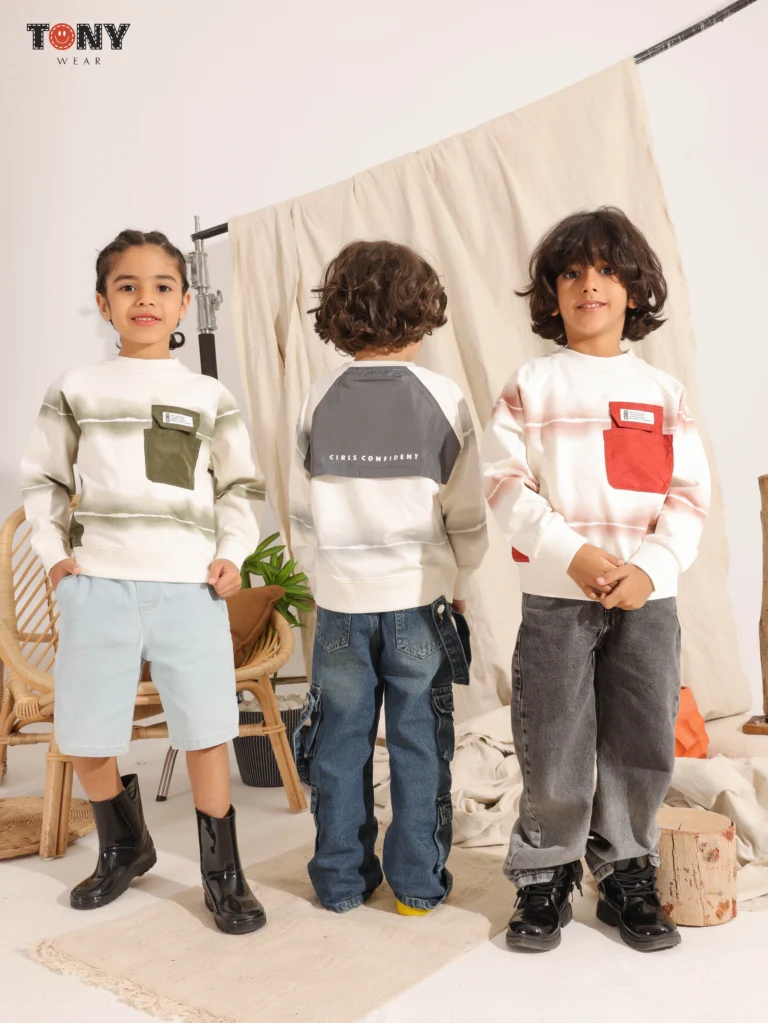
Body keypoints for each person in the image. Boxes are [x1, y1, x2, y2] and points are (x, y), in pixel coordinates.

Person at [21, 229, 267, 935]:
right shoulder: (76, 388)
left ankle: (223, 874)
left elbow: (239, 487)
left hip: (188, 586)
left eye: (163, 286)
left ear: (186, 302)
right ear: (103, 303)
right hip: (98, 584)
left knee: (206, 727)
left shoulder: (207, 394)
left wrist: (234, 552)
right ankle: (125, 843)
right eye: (127, 286)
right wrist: (56, 557)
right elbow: (43, 479)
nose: (145, 299)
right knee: (86, 729)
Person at [482, 207, 710, 953]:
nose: (590, 284)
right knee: (553, 737)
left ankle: (626, 868)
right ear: (551, 293)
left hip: (648, 600)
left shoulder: (664, 391)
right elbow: (505, 485)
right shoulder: (530, 385)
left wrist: (651, 569)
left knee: (642, 736)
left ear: (636, 290)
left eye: (608, 270)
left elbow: (687, 495)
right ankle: (546, 870)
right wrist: (570, 554)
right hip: (557, 596)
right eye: (573, 271)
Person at [290, 240, 487, 915]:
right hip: (418, 602)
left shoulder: (317, 398)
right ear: (424, 315)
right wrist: (457, 576)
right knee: (418, 744)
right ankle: (416, 886)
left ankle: (341, 883)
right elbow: (466, 509)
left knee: (340, 746)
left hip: (342, 606)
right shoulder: (444, 397)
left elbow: (300, 512)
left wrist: (325, 581)